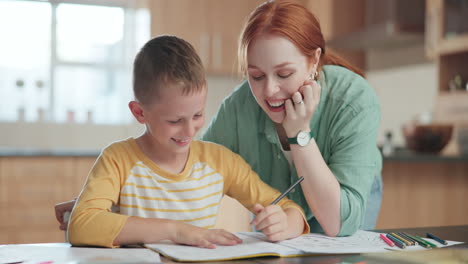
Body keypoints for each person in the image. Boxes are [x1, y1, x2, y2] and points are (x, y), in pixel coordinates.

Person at [56, 0, 382, 238]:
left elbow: (339, 222)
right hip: (286, 221)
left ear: (313, 61)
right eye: (255, 76)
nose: (269, 91)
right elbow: (193, 167)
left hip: (339, 208)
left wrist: (300, 134)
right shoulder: (239, 106)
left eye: (284, 73)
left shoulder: (353, 100)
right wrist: (108, 195)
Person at [66, 35, 308, 248]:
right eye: (174, 120)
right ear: (140, 113)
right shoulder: (117, 160)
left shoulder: (219, 161)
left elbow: (292, 210)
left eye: (198, 115)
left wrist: (284, 223)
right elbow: (81, 225)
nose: (189, 130)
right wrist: (177, 231)